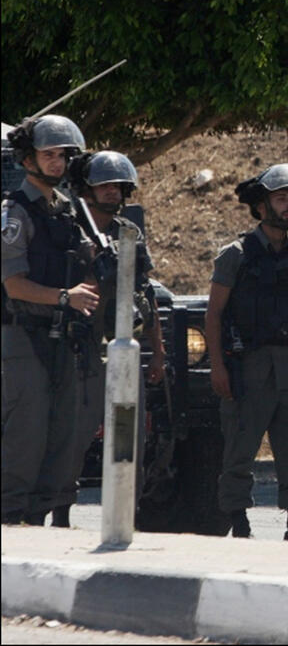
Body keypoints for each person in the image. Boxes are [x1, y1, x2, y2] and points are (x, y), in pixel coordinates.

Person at [57, 150, 167, 528]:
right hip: (82, 347)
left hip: (124, 347)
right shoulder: (69, 230)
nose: (111, 192)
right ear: (86, 189)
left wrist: (158, 353)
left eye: (117, 186)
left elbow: (146, 293)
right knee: (76, 433)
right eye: (103, 185)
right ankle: (60, 510)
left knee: (127, 438)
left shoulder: (129, 234)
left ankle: (124, 513)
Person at [204, 164, 288, 540]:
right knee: (240, 448)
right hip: (247, 366)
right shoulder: (236, 254)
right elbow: (214, 314)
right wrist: (218, 366)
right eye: (281, 198)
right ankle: (239, 520)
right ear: (262, 205)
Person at [1, 115, 100, 526]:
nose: (58, 163)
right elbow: (13, 285)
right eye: (49, 155)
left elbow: (86, 269)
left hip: (64, 337)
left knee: (64, 435)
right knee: (26, 434)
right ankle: (9, 518)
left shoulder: (71, 210)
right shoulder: (14, 212)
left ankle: (40, 519)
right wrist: (65, 297)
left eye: (63, 156)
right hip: (23, 334)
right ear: (27, 160)